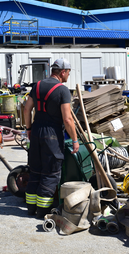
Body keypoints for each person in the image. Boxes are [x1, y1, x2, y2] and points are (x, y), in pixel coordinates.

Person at [23, 58, 79, 218]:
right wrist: (75, 140)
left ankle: (30, 208)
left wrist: (28, 129)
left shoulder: (37, 86)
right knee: (51, 173)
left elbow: (27, 110)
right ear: (62, 72)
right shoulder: (62, 90)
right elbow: (68, 119)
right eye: (68, 72)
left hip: (36, 131)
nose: (68, 75)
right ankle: (42, 211)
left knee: (35, 170)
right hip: (52, 135)